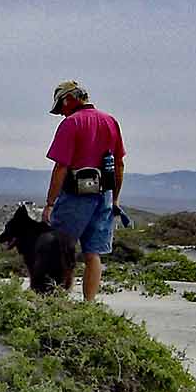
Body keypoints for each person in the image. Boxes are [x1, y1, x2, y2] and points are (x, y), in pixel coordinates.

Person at [40, 79, 127, 302]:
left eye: (61, 106)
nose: (61, 113)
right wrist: (115, 198)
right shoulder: (110, 121)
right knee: (93, 253)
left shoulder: (72, 124)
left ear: (69, 99)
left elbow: (61, 166)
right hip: (104, 195)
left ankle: (57, 300)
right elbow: (119, 164)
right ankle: (89, 305)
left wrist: (50, 203)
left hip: (75, 197)